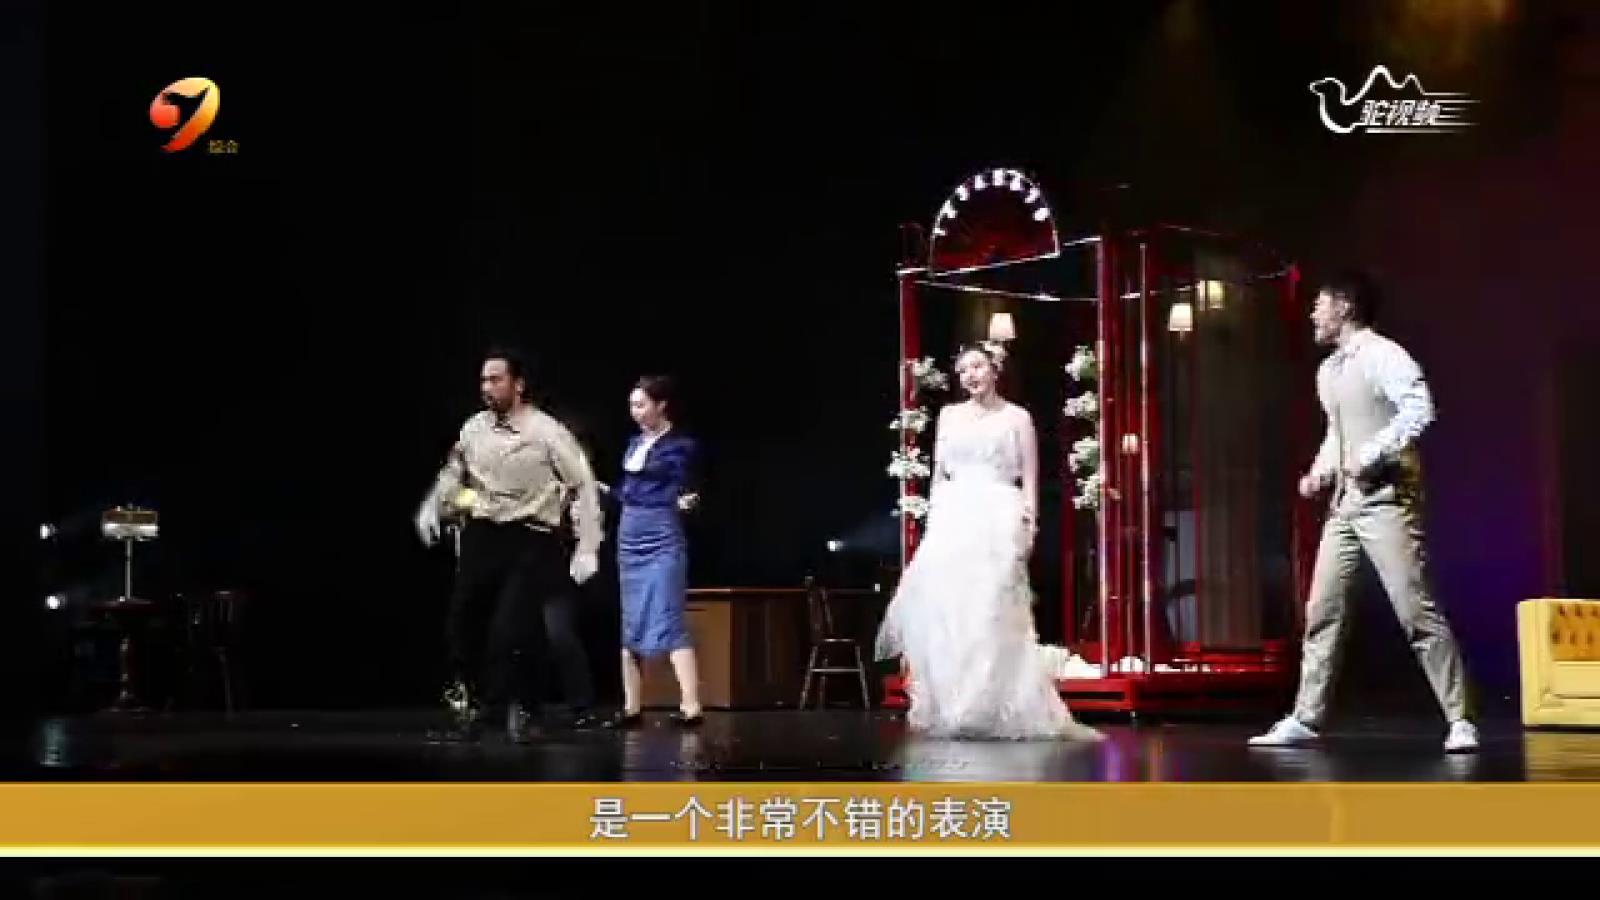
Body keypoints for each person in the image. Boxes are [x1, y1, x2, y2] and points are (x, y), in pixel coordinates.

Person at [1250, 271, 1477, 753]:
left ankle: (1460, 719)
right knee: (1322, 610)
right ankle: (1306, 717)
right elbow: (1338, 434)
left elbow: (1419, 409)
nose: (1313, 313)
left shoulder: (1384, 356)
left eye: (1320, 303)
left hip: (1387, 499)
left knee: (1414, 607)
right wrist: (1320, 472)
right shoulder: (1328, 371)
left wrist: (1372, 453)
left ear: (1345, 306)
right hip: (1346, 504)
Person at [874, 344, 1101, 741]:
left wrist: (1029, 525)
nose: (971, 376)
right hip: (954, 517)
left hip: (998, 514)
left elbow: (1029, 478)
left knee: (993, 607)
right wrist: (934, 523)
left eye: (977, 366)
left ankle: (994, 704)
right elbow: (939, 476)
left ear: (995, 369)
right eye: (963, 370)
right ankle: (957, 705)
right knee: (951, 610)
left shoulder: (1017, 417)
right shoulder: (949, 416)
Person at [415, 348, 604, 741]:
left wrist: (588, 544)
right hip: (483, 534)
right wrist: (434, 505)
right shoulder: (474, 428)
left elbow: (582, 485)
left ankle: (526, 709)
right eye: (483, 380)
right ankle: (472, 707)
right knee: (462, 623)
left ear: (518, 385)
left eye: (496, 379)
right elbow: (454, 472)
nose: (487, 387)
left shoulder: (546, 432)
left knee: (514, 629)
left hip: (530, 536)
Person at [606, 375, 705, 728]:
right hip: (630, 533)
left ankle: (691, 705)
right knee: (631, 620)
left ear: (661, 405)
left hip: (661, 532)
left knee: (668, 614)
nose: (635, 412)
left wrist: (686, 500)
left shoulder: (681, 445)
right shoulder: (634, 444)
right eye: (632, 406)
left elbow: (684, 486)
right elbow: (626, 489)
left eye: (641, 405)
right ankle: (632, 706)